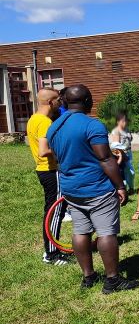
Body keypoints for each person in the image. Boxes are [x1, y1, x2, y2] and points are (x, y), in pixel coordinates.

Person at [46, 85, 139, 293]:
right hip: (97, 187)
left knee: (81, 231)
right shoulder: (92, 125)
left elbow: (57, 155)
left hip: (71, 188)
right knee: (107, 232)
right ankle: (112, 280)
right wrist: (120, 185)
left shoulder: (54, 127)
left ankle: (88, 277)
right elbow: (105, 158)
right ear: (88, 100)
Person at [27, 88, 71, 265]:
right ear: (51, 102)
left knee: (52, 212)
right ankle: (51, 255)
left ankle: (53, 250)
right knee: (55, 212)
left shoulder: (33, 119)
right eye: (58, 100)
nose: (60, 104)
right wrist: (65, 149)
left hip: (43, 170)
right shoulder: (45, 122)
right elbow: (44, 151)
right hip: (51, 171)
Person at [109, 113, 134, 193]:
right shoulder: (116, 131)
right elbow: (117, 146)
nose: (125, 123)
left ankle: (130, 189)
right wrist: (123, 156)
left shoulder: (126, 129)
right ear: (117, 122)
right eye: (123, 121)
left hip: (128, 153)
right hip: (121, 155)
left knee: (128, 172)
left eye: (126, 121)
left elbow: (130, 139)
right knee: (129, 172)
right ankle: (125, 190)